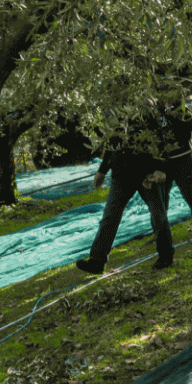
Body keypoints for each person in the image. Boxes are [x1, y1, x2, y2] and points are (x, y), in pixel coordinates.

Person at [76, 107, 175, 274]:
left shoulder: (145, 109)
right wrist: (102, 170)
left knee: (158, 214)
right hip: (121, 176)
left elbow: (161, 140)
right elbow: (112, 144)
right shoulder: (113, 113)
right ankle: (97, 262)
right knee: (110, 217)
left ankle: (166, 256)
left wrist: (161, 168)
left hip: (147, 173)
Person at [157, 95, 192, 234]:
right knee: (161, 197)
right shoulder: (159, 114)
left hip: (182, 158)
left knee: (188, 191)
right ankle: (161, 231)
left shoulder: (185, 112)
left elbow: (183, 135)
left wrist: (170, 115)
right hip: (164, 161)